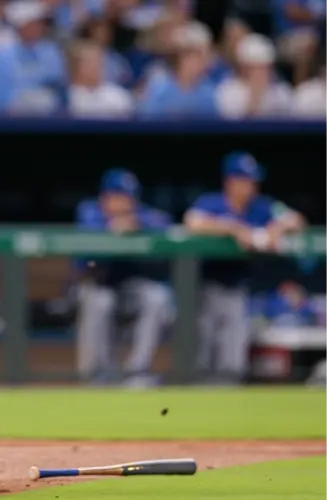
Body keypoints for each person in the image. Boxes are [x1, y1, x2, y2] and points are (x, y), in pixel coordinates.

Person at [184, 152, 306, 385]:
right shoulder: (212, 202)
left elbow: (296, 219)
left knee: (231, 356)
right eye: (245, 180)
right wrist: (233, 228)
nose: (251, 186)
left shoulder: (262, 206)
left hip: (238, 286)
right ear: (230, 181)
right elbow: (192, 221)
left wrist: (276, 228)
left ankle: (225, 396)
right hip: (203, 285)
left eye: (252, 180)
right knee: (203, 349)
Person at [73, 169, 173, 387]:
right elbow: (85, 247)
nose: (123, 202)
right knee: (100, 302)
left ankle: (136, 372)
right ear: (104, 197)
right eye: (117, 196)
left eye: (127, 197)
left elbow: (165, 224)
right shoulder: (90, 212)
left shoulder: (139, 215)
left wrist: (138, 225)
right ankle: (97, 375)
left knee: (156, 297)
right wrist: (110, 231)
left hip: (129, 288)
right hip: (95, 283)